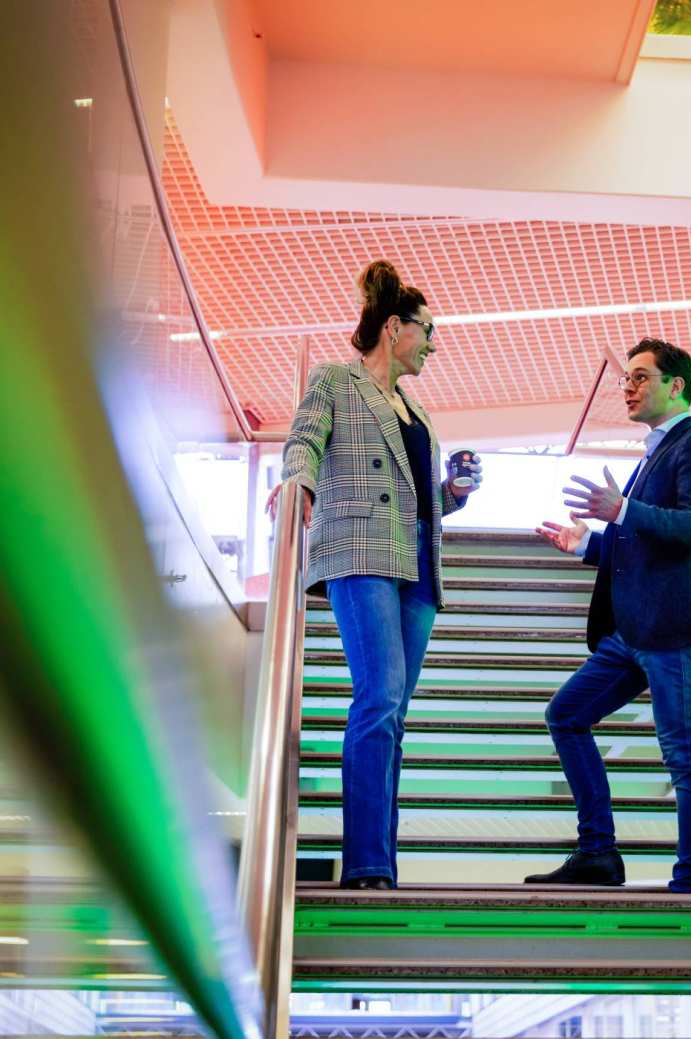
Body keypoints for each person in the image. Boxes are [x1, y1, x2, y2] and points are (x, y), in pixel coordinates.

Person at [267, 260, 481, 890]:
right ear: (395, 328)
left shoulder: (416, 409)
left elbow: (416, 494)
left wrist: (451, 492)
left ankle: (380, 864)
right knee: (379, 697)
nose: (434, 344)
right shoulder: (335, 380)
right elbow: (303, 439)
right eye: (428, 330)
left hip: (417, 563)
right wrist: (297, 483)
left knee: (393, 713)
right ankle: (363, 863)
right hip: (359, 552)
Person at [530, 337, 691, 893]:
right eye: (626, 379)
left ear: (676, 386)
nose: (628, 387)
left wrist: (623, 510)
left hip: (672, 632)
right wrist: (590, 545)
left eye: (641, 378)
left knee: (684, 756)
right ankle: (598, 853)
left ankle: (690, 882)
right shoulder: (651, 456)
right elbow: (643, 545)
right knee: (565, 715)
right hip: (629, 633)